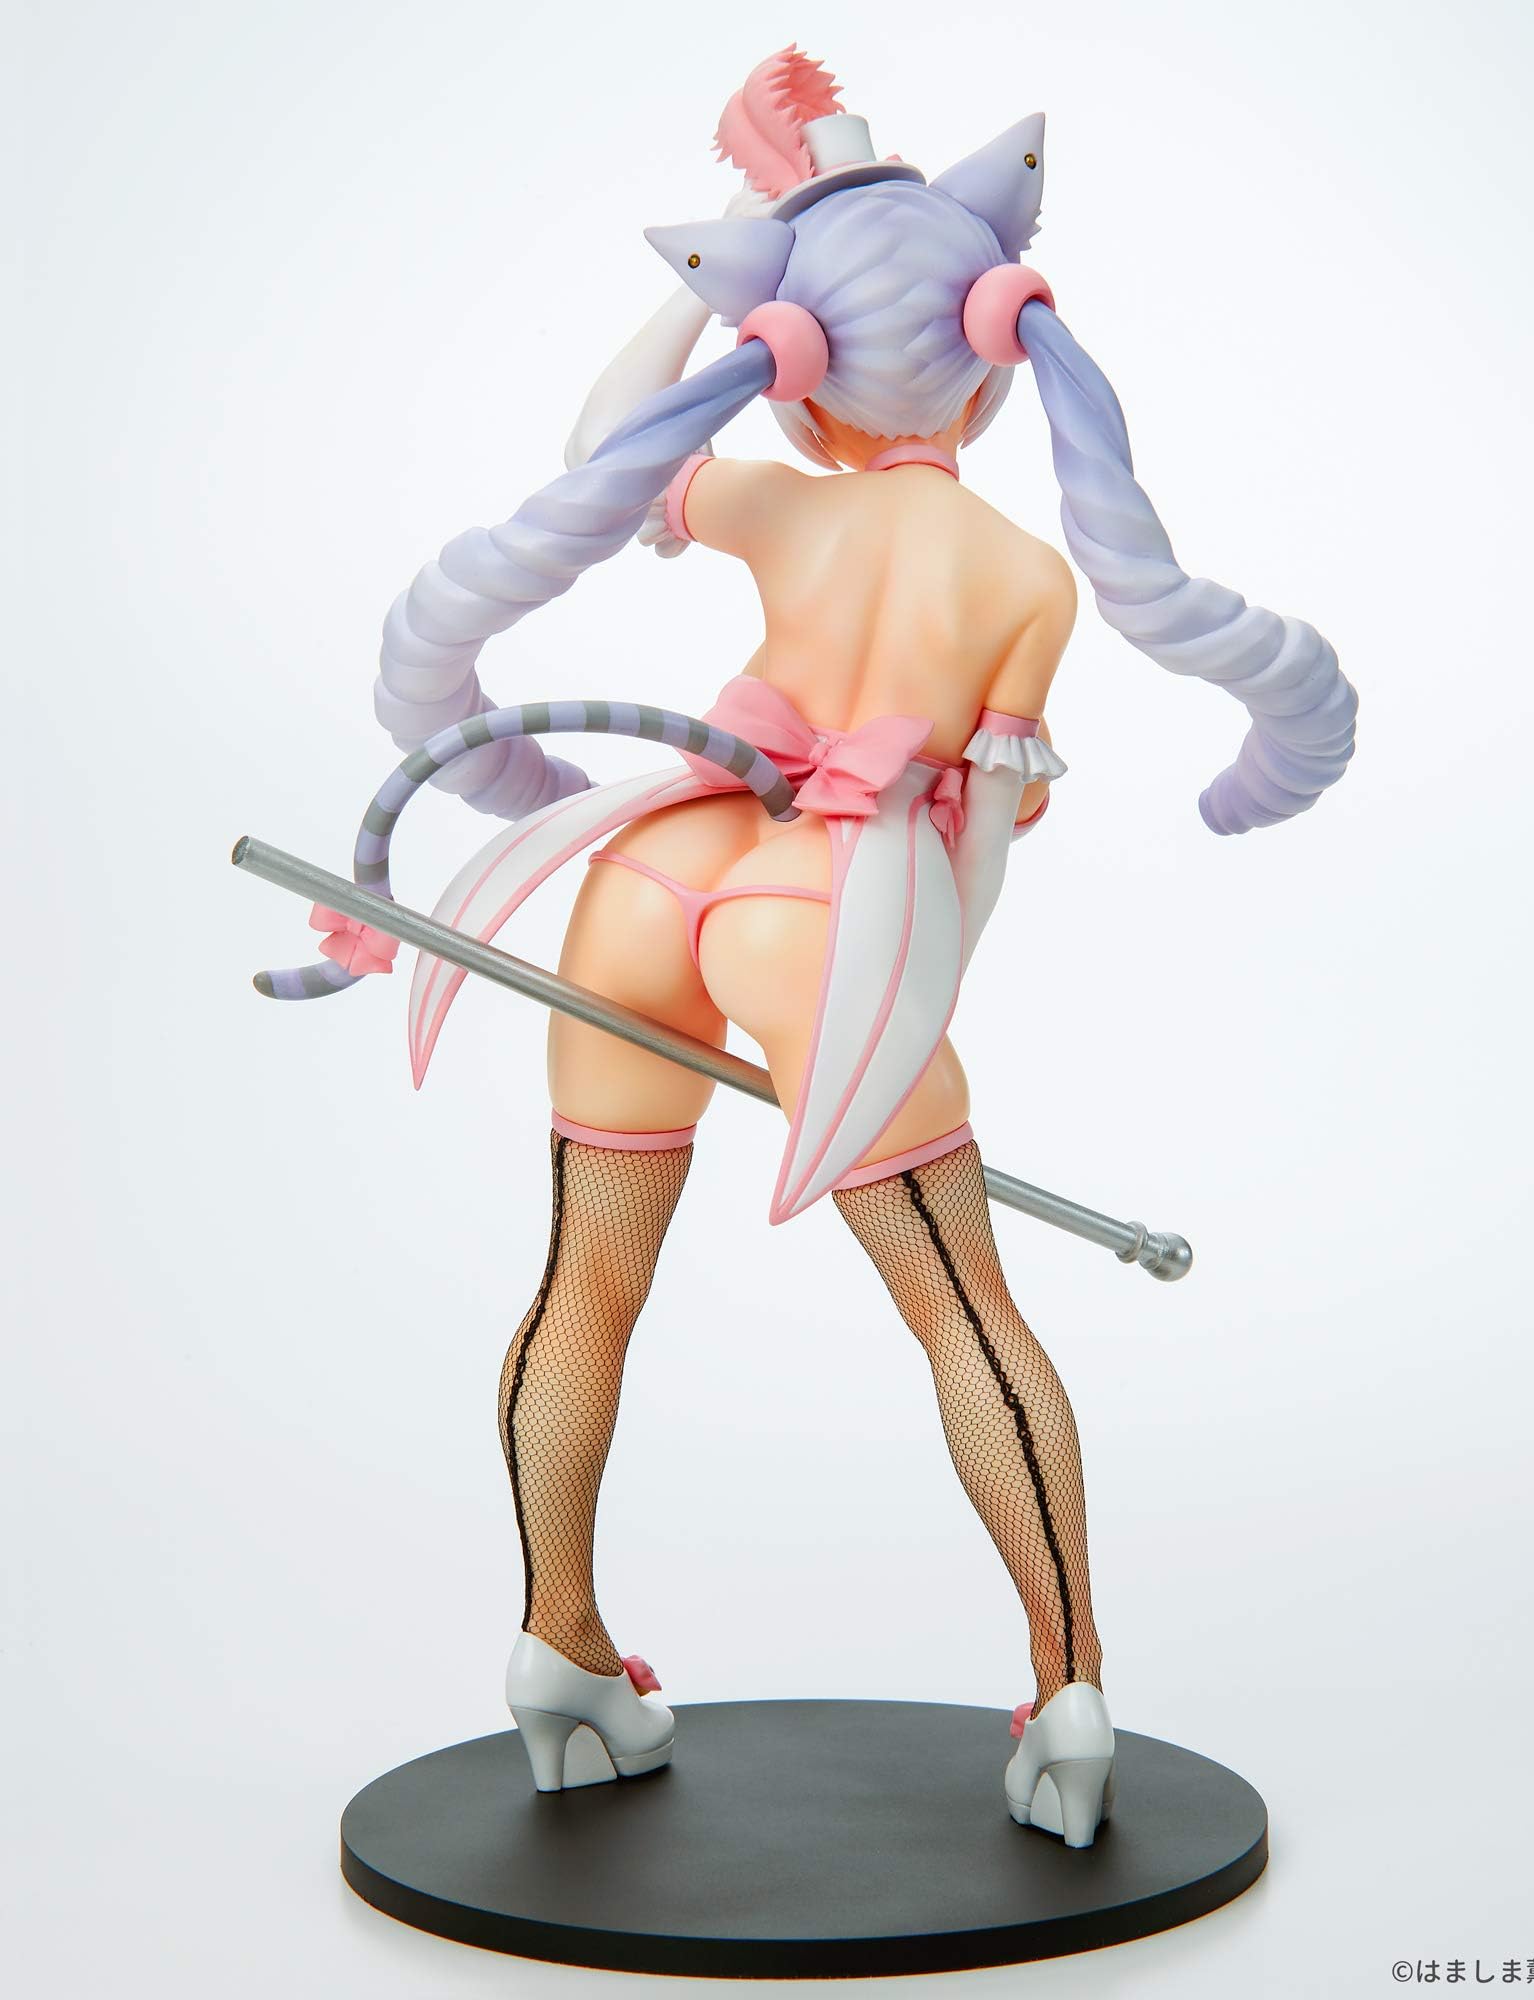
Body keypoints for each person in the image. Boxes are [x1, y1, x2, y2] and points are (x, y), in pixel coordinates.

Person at [266, 49, 1356, 1848]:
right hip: (819, 918)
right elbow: (979, 842)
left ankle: (558, 1644)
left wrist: (715, 305)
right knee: (967, 1310)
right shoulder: (1028, 579)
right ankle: (1071, 1689)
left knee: (583, 1283)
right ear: (991, 365)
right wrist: (903, 997)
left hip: (649, 869)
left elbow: (604, 454)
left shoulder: (783, 502)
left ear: (802, 376)